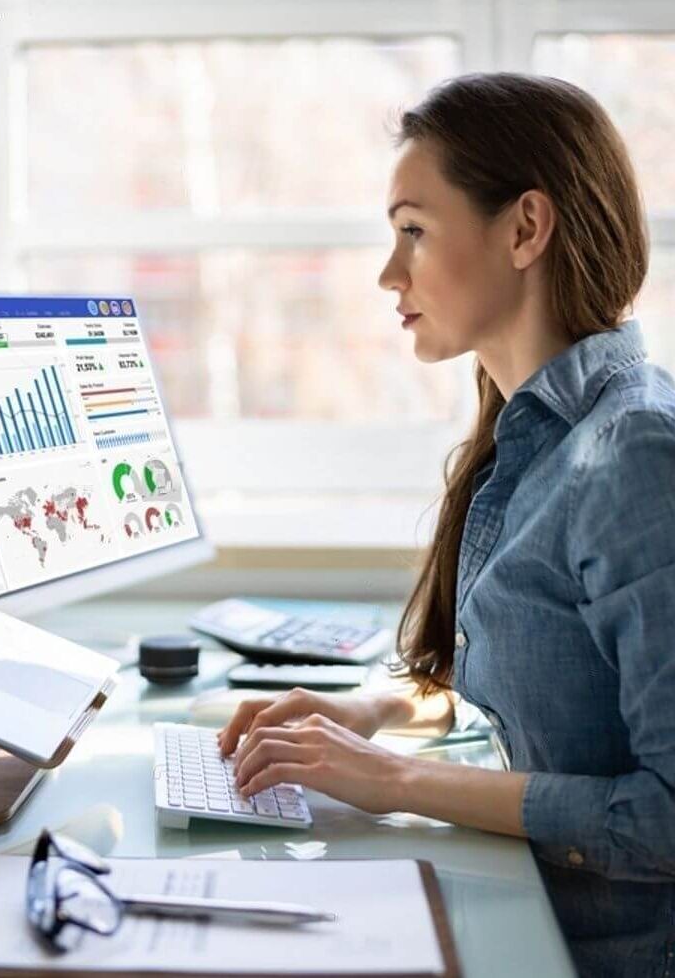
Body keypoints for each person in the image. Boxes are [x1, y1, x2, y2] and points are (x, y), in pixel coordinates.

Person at [218, 73, 675, 977]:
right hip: (516, 914)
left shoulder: (633, 455)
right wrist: (376, 708)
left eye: (414, 232)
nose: (390, 274)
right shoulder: (530, 436)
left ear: (525, 229)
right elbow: (552, 694)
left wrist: (392, 782)